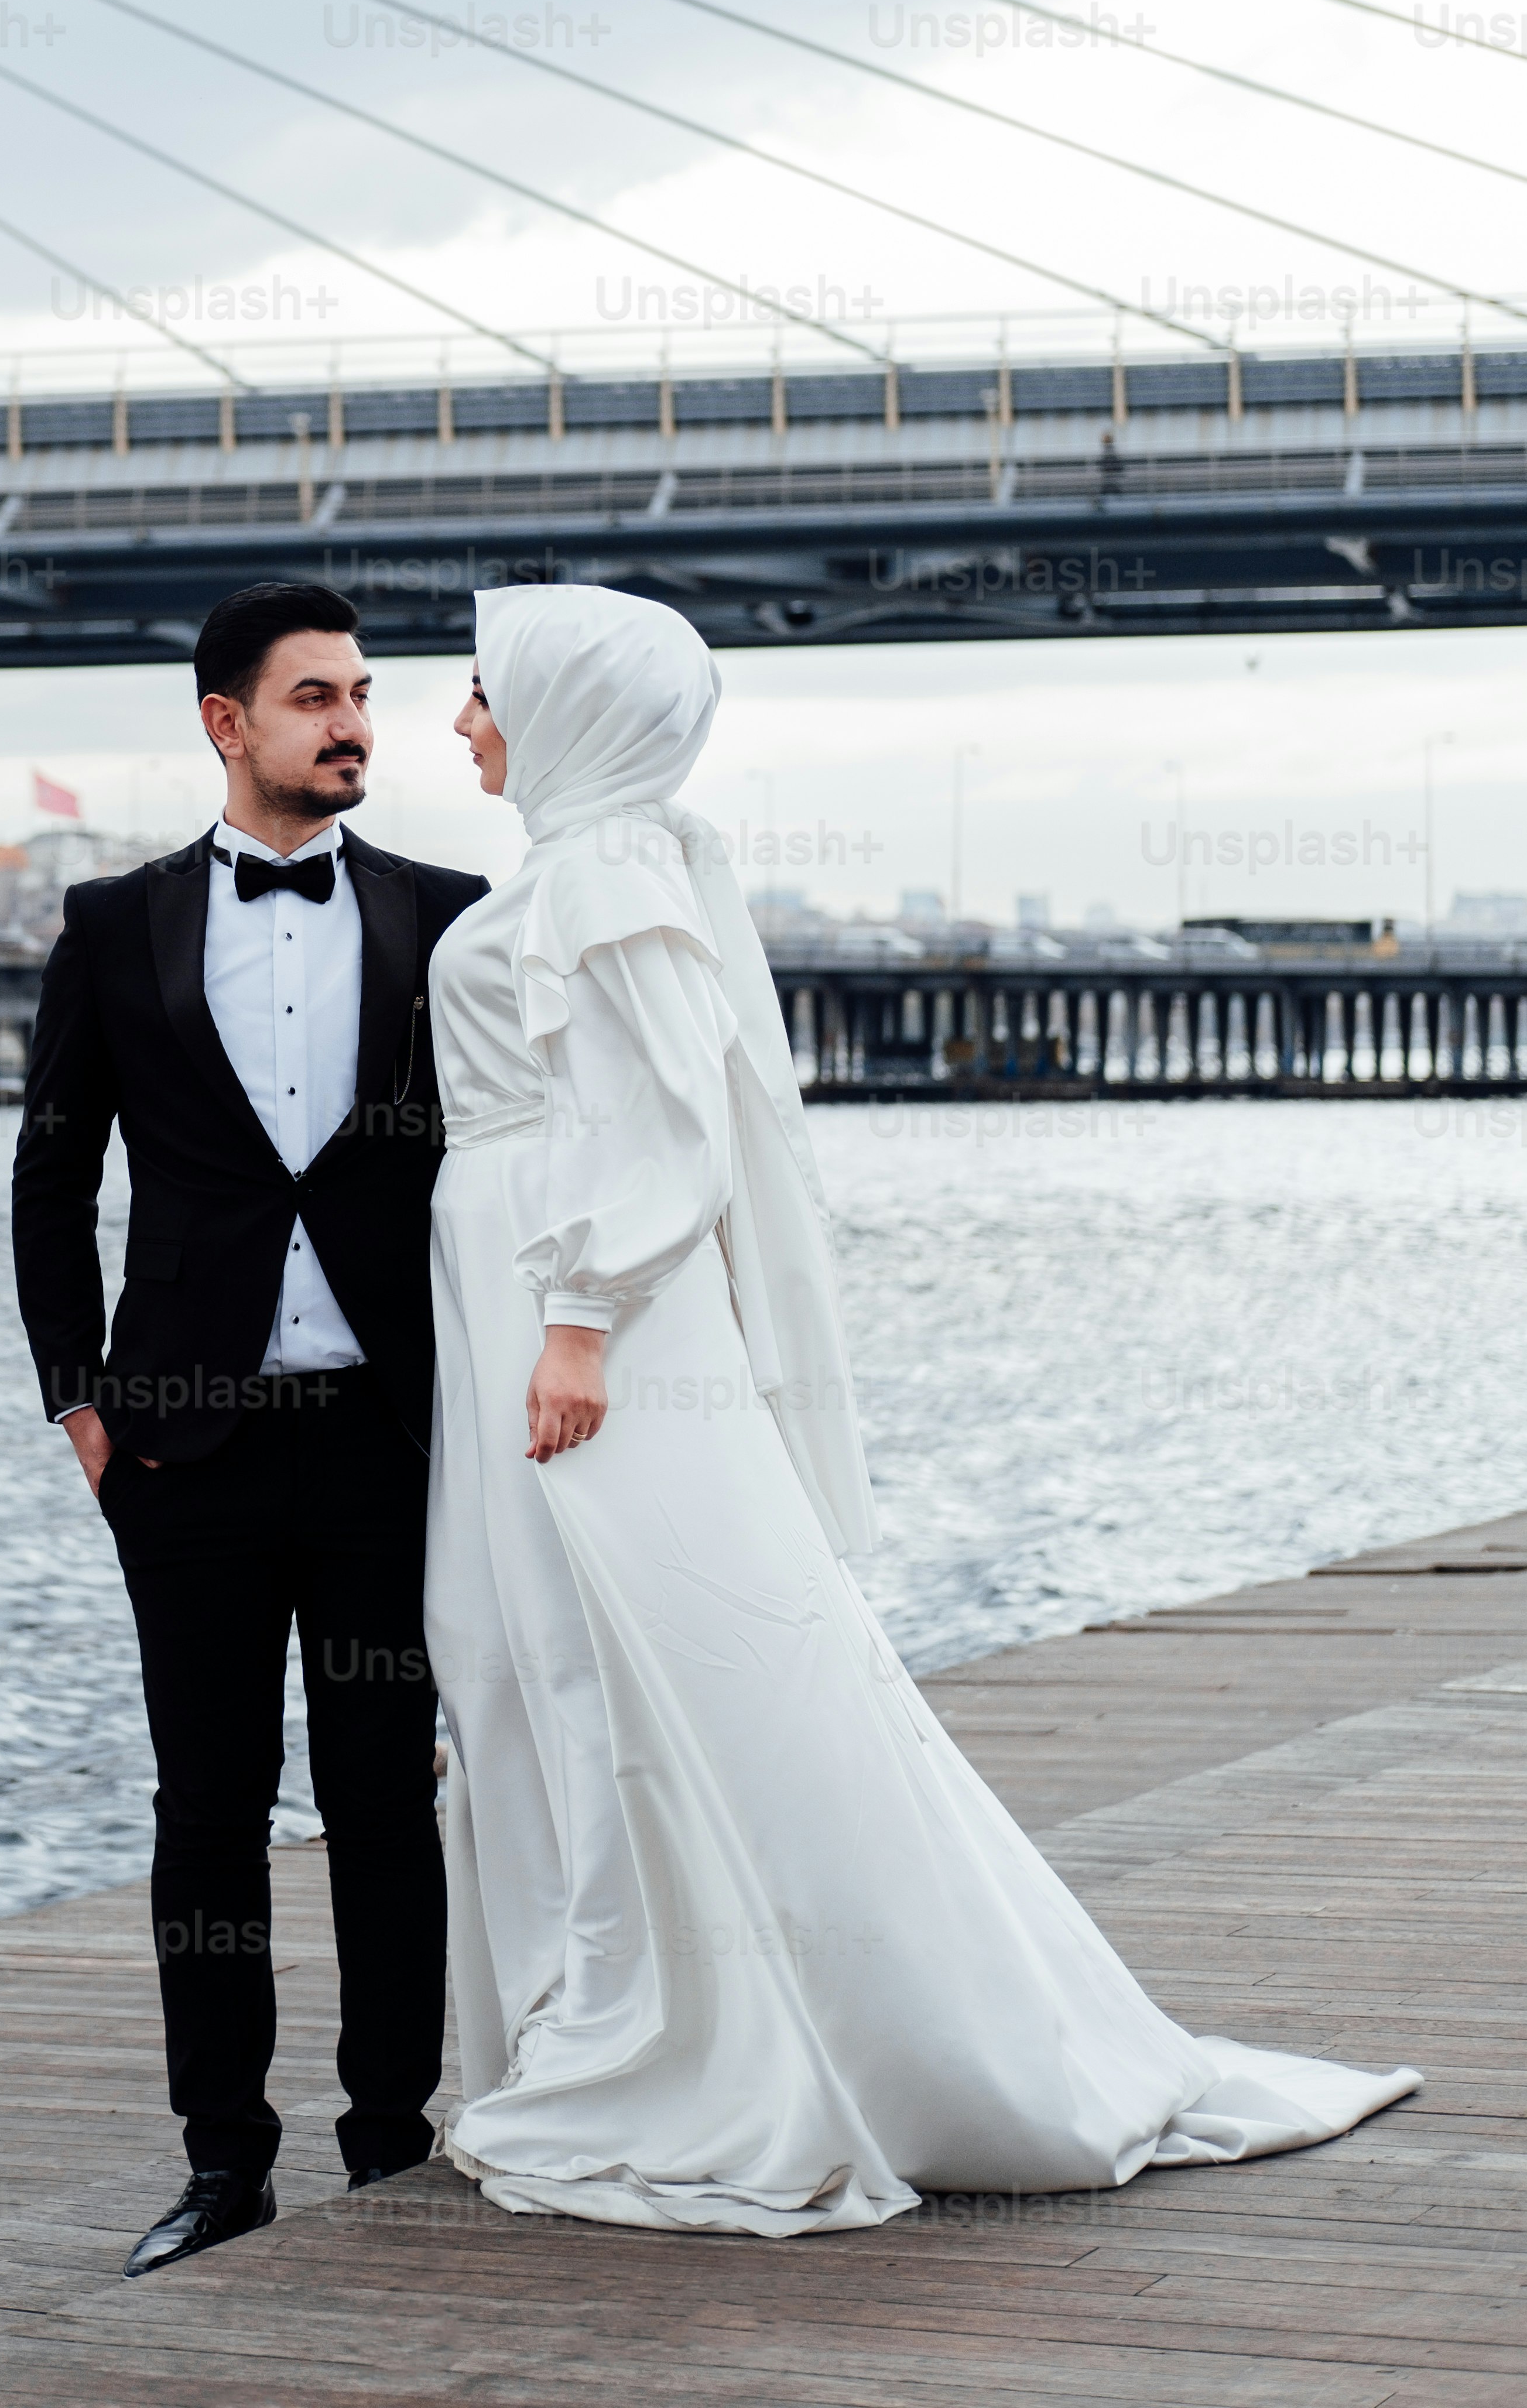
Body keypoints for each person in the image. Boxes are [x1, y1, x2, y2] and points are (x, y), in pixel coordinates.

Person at [427, 578, 1419, 2234]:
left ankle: (694, 2028)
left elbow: (661, 1119)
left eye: (477, 691)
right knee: (564, 1653)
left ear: (566, 710)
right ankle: (615, 2000)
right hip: (521, 1292)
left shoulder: (598, 870)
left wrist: (580, 1322)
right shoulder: (586, 863)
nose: (454, 721)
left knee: (622, 1657)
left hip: (572, 1312)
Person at [12, 579, 487, 2276]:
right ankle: (224, 2164)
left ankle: (387, 2141)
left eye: (362, 694)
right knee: (206, 1814)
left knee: (383, 1804)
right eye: (314, 698)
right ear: (227, 724)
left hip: (381, 1442)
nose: (353, 722)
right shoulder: (115, 922)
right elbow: (51, 1173)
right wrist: (79, 1396)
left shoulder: (451, 917)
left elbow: (510, 1174)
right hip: (183, 1454)